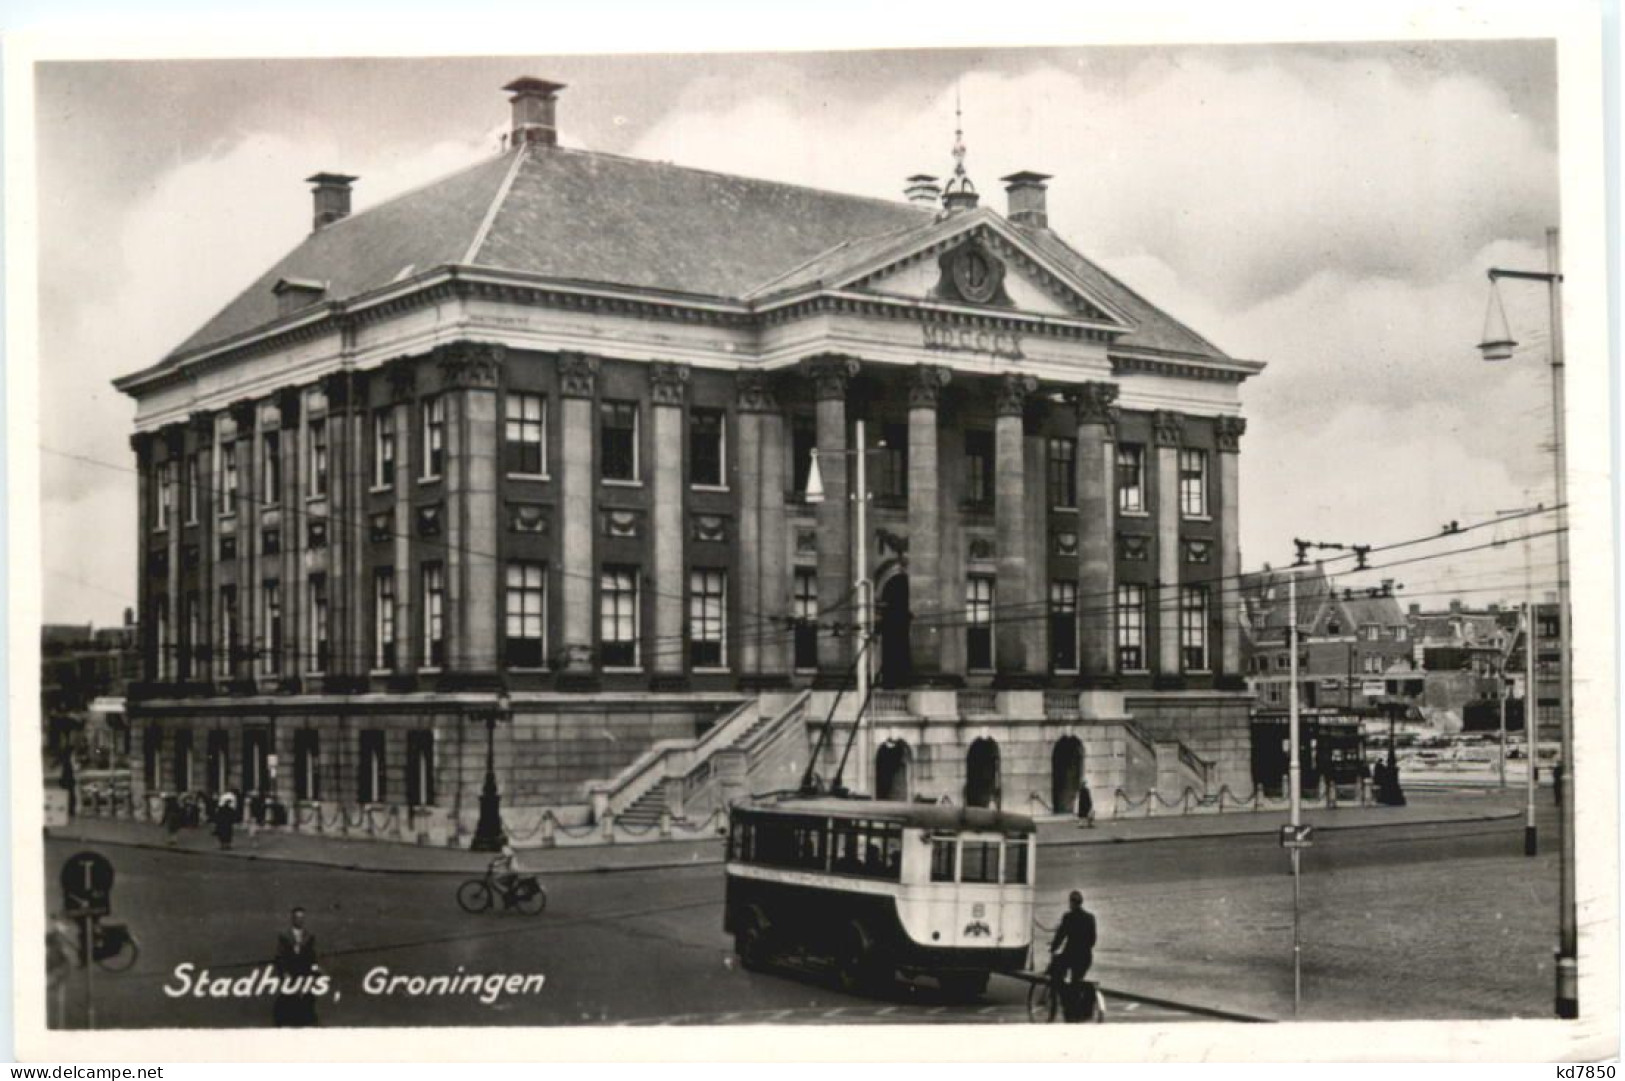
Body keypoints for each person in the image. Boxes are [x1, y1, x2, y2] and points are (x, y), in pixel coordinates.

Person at [1049, 890, 1098, 1022]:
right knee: (1077, 980)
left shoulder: (1068, 917)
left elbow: (1060, 936)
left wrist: (1052, 949)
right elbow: (1093, 940)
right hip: (1086, 957)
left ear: (1071, 903)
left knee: (1056, 973)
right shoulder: (1090, 918)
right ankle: (1077, 1009)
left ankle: (1068, 1005)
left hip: (1071, 956)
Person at [272, 907, 320, 1027]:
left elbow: (312, 953)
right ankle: (290, 1020)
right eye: (297, 918)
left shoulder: (309, 936)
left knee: (306, 996)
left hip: (305, 971)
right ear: (292, 919)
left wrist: (314, 968)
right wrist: (284, 972)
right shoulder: (284, 935)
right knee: (290, 996)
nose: (300, 920)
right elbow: (280, 955)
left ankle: (306, 1020)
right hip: (291, 971)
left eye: (302, 918)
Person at [491, 839, 524, 905]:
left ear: (501, 842)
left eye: (498, 841)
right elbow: (504, 856)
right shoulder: (507, 848)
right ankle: (509, 898)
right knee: (505, 881)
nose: (497, 843)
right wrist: (496, 858)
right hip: (514, 870)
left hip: (512, 870)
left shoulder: (504, 848)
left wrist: (496, 864)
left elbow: (508, 858)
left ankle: (506, 894)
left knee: (494, 881)